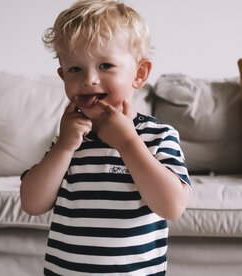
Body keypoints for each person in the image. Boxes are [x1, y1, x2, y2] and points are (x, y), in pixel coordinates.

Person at [20, 0, 191, 275]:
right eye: (75, 69)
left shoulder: (158, 137)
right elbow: (32, 204)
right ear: (62, 76)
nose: (89, 79)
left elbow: (171, 206)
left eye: (105, 65)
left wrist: (127, 142)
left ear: (139, 74)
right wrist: (64, 146)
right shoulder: (70, 140)